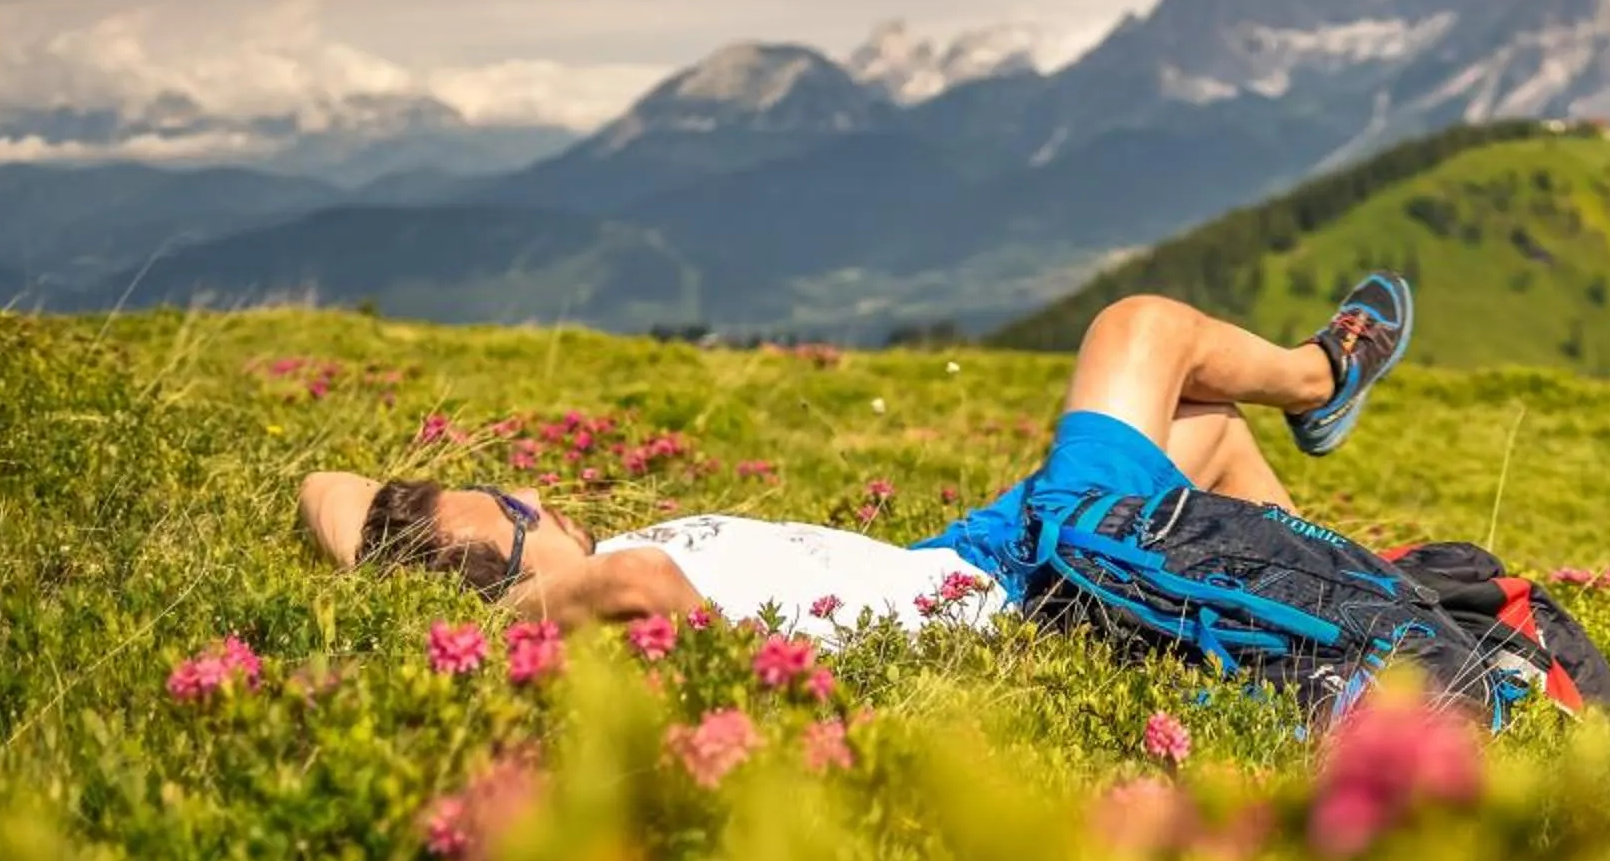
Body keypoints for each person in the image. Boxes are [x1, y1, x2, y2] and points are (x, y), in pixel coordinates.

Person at [298, 277, 1417, 656]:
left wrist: (397, 550)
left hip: (958, 555)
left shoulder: (581, 562)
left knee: (1207, 430)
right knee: (1142, 332)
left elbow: (327, 491)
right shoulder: (601, 590)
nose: (533, 491)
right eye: (510, 508)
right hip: (1019, 585)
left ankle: (1379, 603)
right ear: (511, 572)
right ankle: (1320, 377)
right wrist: (513, 614)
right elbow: (636, 590)